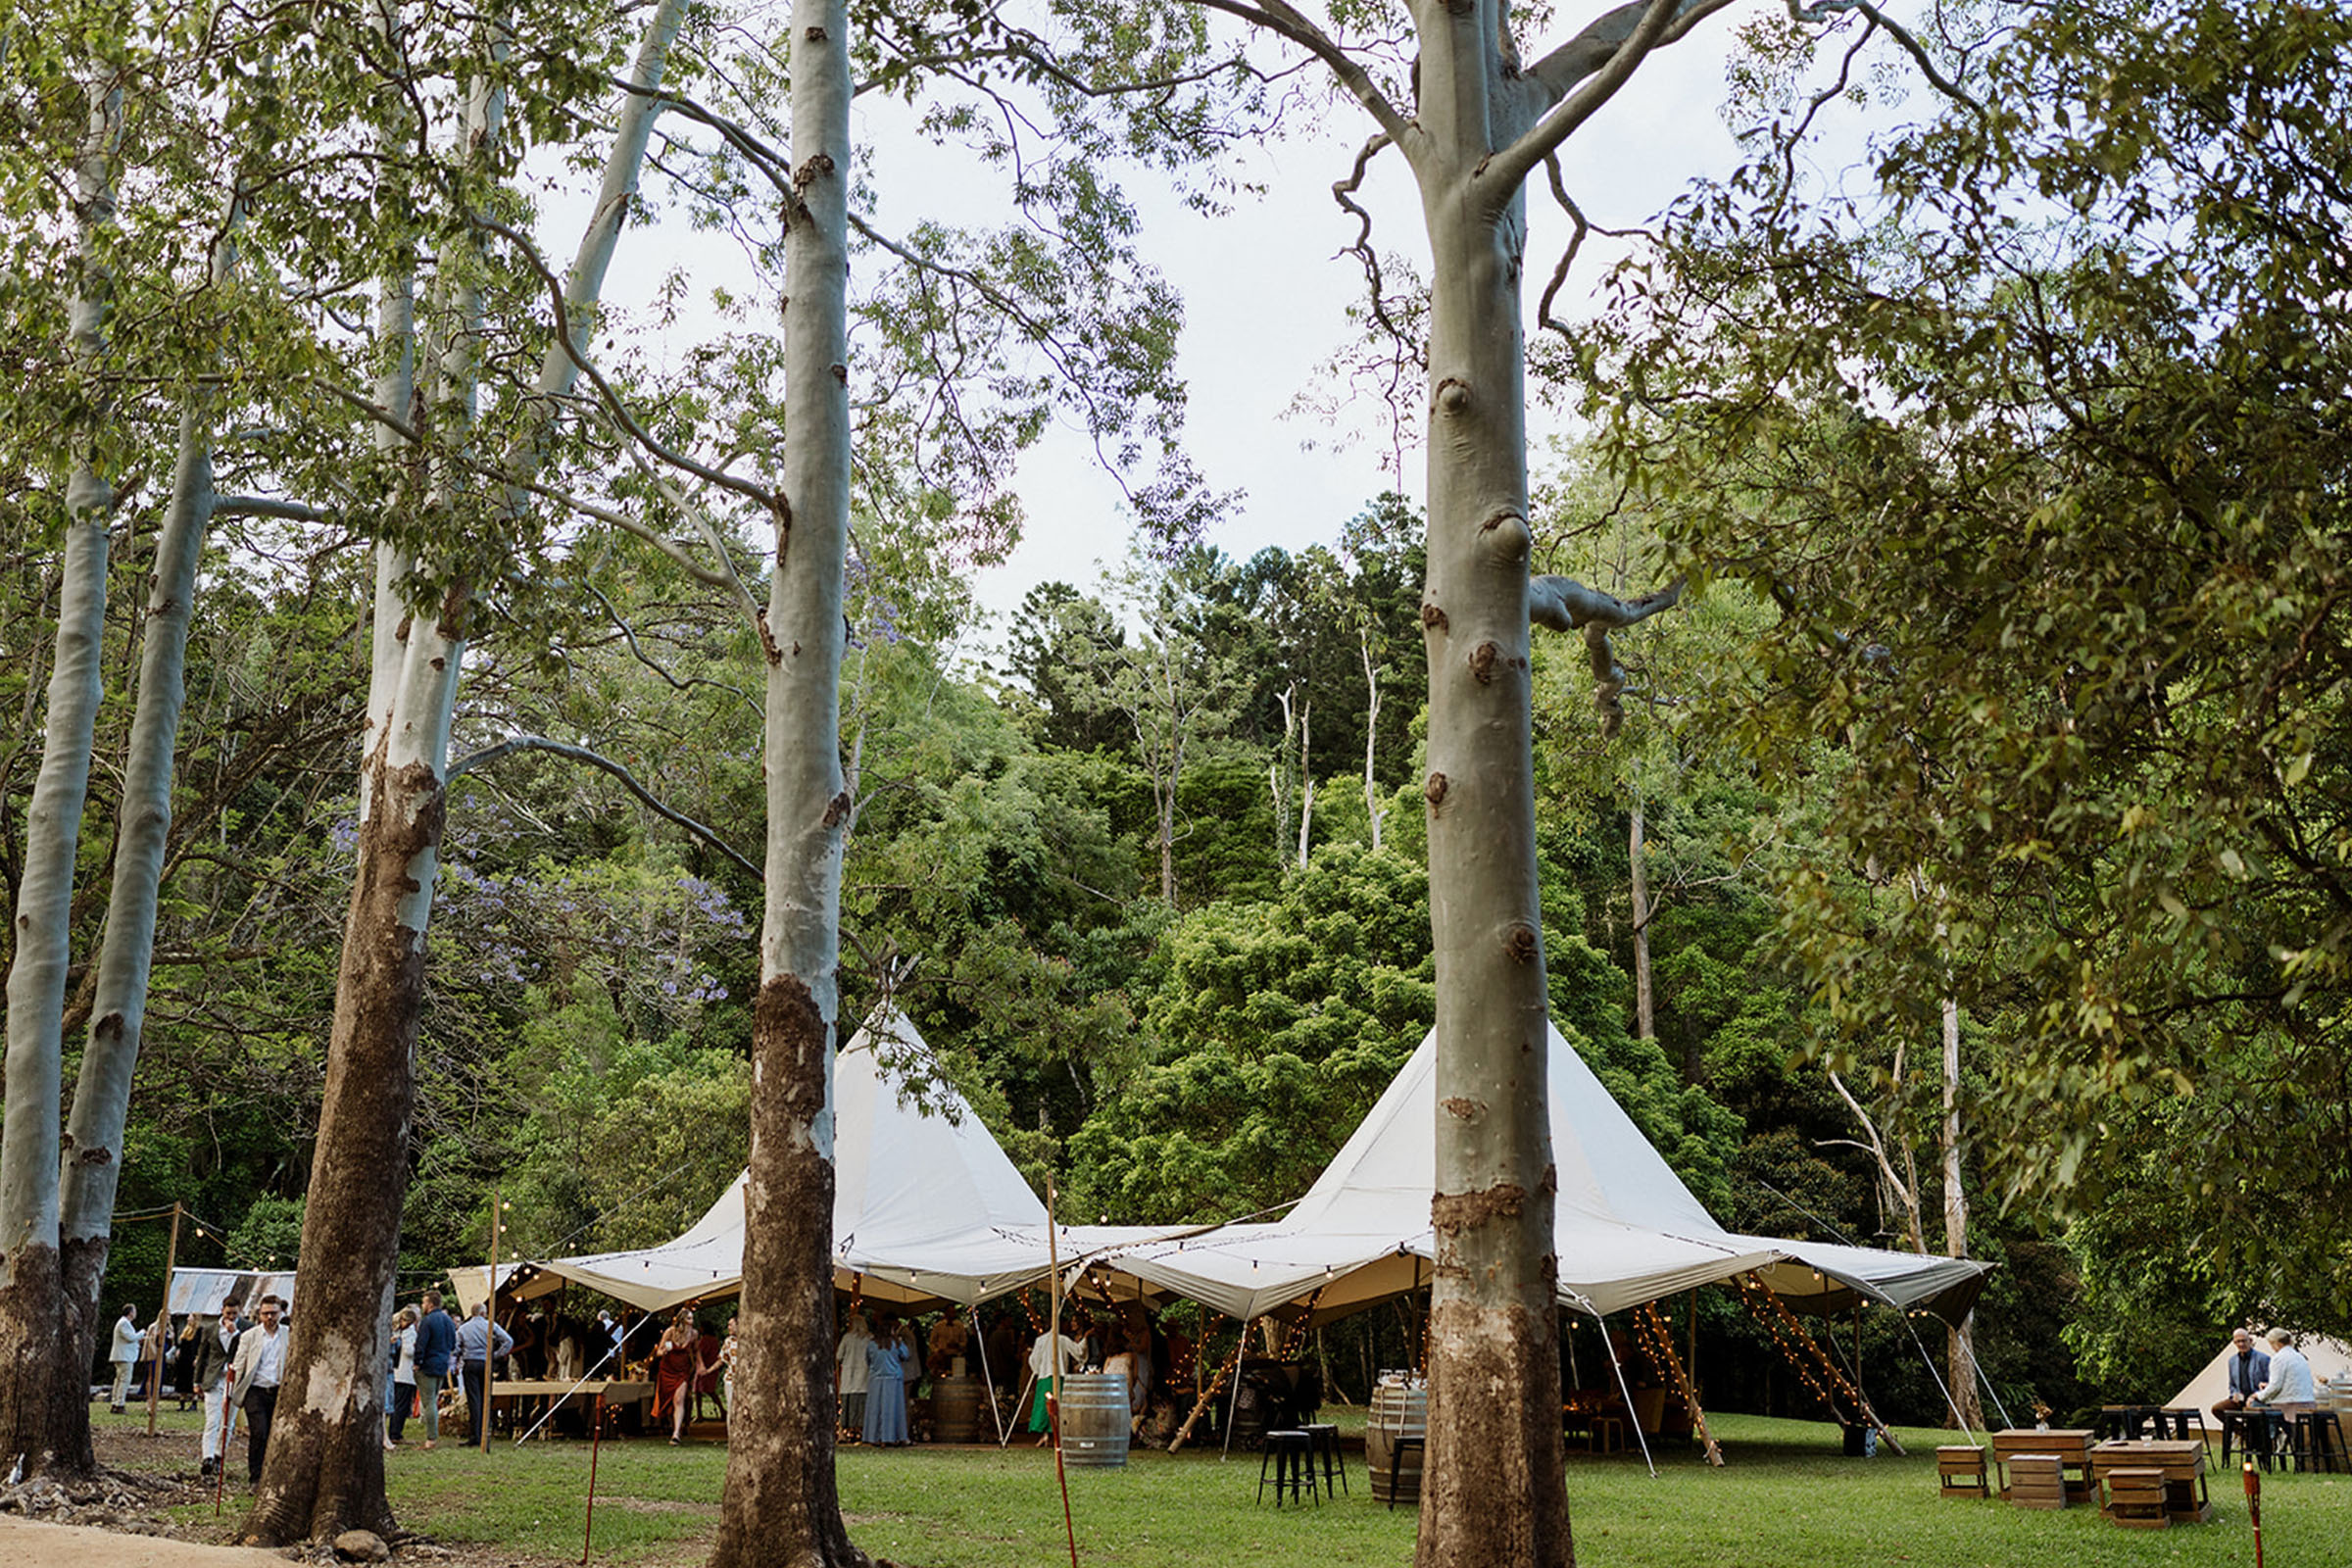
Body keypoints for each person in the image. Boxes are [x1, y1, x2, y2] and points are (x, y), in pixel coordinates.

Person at [229, 1295, 290, 1484]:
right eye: (265, 1314)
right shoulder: (249, 1336)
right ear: (260, 1314)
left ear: (280, 1313)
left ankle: (273, 1474)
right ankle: (255, 1477)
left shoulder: (289, 1334)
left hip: (279, 1390)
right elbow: (239, 1364)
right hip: (255, 1390)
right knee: (259, 1432)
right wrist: (231, 1392)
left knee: (275, 1434)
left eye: (273, 1313)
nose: (269, 1317)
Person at [193, 1302, 243, 1479]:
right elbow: (202, 1355)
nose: (231, 1317)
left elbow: (245, 1351)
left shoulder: (245, 1329)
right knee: (212, 1420)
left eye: (235, 1314)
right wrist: (197, 1381)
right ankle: (207, 1458)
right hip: (214, 1379)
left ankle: (218, 1455)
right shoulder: (210, 1329)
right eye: (228, 1313)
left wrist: (235, 1333)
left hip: (234, 1379)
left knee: (228, 1422)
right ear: (222, 1310)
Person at [456, 1301, 514, 1447]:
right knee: (485, 1398)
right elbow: (508, 1341)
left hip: (470, 1363)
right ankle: (485, 1433)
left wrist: (461, 1355)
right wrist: (495, 1355)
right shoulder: (490, 1325)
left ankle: (475, 1435)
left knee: (473, 1400)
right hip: (486, 1363)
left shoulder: (463, 1328)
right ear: (483, 1313)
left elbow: (455, 1348)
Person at [413, 1291, 457, 1449]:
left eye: (424, 1302)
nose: (422, 1305)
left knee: (429, 1401)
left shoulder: (427, 1321)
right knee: (434, 1398)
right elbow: (453, 1344)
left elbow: (421, 1344)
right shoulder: (449, 1321)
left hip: (428, 1364)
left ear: (430, 1304)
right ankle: (432, 1435)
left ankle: (431, 1438)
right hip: (443, 1364)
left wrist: (417, 1362)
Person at [1027, 1322, 1086, 1441]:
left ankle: (1045, 1433)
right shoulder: (1063, 1339)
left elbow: (1033, 1359)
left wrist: (1038, 1370)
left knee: (1044, 1405)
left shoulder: (1041, 1340)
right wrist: (1085, 1338)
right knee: (1057, 1405)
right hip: (1059, 1376)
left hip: (1044, 1376)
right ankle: (1054, 1432)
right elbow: (1079, 1351)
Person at [653, 1309, 701, 1445]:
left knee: (679, 1400)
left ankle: (676, 1433)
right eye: (689, 1318)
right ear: (682, 1320)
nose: (692, 1321)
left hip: (682, 1370)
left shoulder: (694, 1334)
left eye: (692, 1318)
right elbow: (658, 1352)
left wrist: (700, 1366)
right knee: (668, 1401)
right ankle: (670, 1424)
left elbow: (696, 1351)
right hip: (667, 1369)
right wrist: (664, 1351)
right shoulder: (670, 1332)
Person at [862, 1314, 910, 1446]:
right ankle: (893, 1436)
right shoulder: (896, 1344)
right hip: (893, 1379)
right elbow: (906, 1355)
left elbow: (868, 1360)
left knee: (876, 1409)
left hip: (876, 1379)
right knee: (893, 1408)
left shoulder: (872, 1344)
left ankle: (875, 1436)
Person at [2252, 1327, 2317, 1413]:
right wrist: (2268, 1386)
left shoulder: (2278, 1358)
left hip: (2288, 1404)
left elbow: (2275, 1387)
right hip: (2307, 1402)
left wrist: (2258, 1395)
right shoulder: (2300, 1357)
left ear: (2276, 1343)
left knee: (2254, 1404)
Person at [2212, 1327, 2272, 1419]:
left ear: (2250, 1340)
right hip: (2240, 1399)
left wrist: (2256, 1396)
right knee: (2217, 1409)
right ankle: (2239, 1428)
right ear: (2234, 1343)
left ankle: (2251, 1428)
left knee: (2252, 1410)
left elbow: (2270, 1383)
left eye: (2244, 1341)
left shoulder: (2263, 1359)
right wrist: (2235, 1394)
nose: (2241, 1344)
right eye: (2238, 1341)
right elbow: (2232, 1385)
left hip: (2257, 1399)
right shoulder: (2232, 1361)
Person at [836, 1310, 875, 1437]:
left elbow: (839, 1355)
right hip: (864, 1374)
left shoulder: (847, 1338)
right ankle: (862, 1430)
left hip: (849, 1374)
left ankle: (845, 1431)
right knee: (862, 1404)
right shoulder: (870, 1338)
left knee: (847, 1404)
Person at [386, 1306, 419, 1449]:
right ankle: (395, 1433)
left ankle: (393, 1431)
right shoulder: (409, 1332)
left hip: (397, 1371)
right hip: (405, 1372)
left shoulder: (396, 1330)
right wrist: (417, 1348)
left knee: (397, 1403)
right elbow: (409, 1351)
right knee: (402, 1405)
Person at [108, 1304, 141, 1413]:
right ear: (130, 1312)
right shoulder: (124, 1323)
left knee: (119, 1380)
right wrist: (141, 1333)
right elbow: (131, 1337)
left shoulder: (125, 1323)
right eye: (134, 1311)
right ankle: (119, 1404)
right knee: (124, 1381)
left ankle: (115, 1402)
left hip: (123, 1356)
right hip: (124, 1357)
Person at [173, 1313, 203, 1410]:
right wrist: (178, 1350)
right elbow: (181, 1343)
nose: (188, 1319)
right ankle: (182, 1402)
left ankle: (194, 1402)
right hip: (183, 1358)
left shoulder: (199, 1331)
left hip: (192, 1358)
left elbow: (200, 1345)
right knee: (182, 1380)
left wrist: (198, 1357)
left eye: (190, 1317)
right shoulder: (186, 1330)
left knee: (192, 1380)